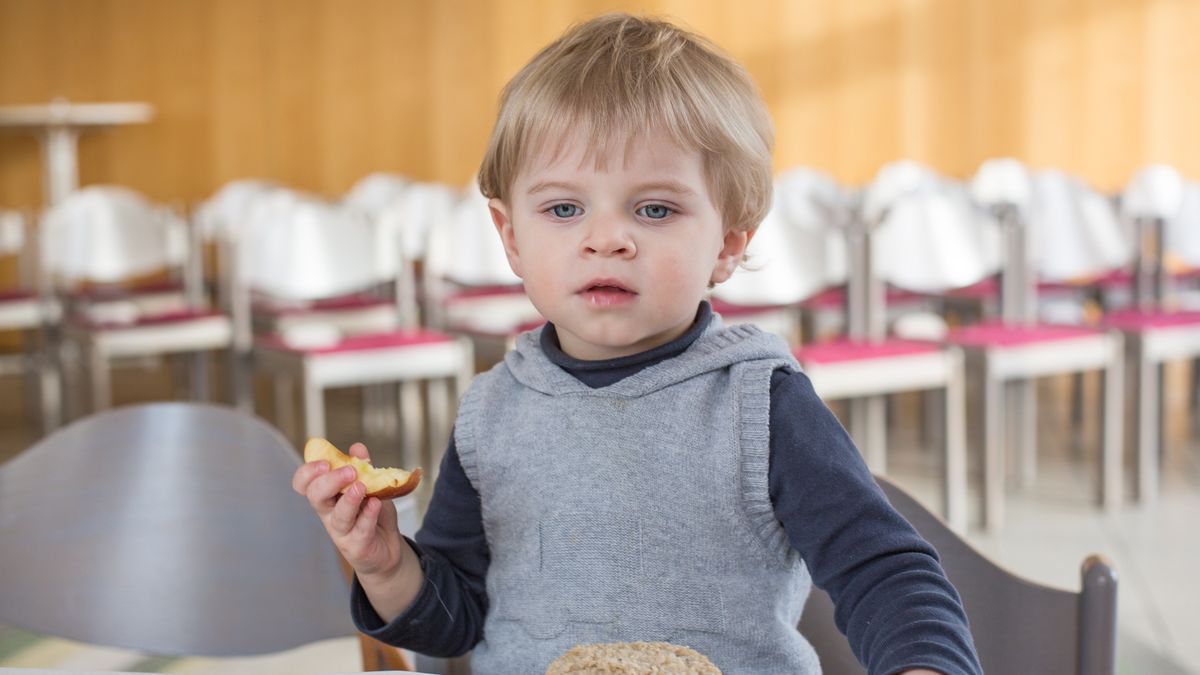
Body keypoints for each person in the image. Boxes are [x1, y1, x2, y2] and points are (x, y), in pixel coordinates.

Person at [293, 12, 983, 675]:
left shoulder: (759, 401)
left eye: (654, 208)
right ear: (511, 238)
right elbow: (455, 622)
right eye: (564, 208)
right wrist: (387, 566)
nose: (606, 238)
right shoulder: (491, 414)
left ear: (728, 242)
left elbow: (883, 568)